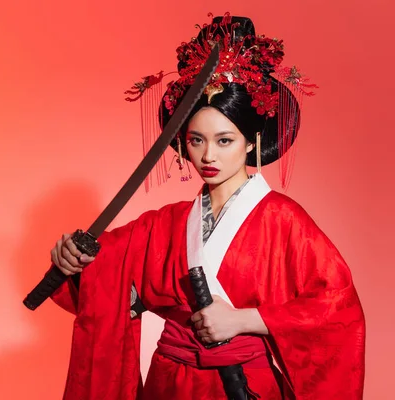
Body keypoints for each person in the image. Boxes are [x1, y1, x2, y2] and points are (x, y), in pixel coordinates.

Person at [46, 13, 365, 400]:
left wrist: (244, 319)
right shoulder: (164, 223)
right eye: (197, 140)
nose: (208, 155)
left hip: (244, 385)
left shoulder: (285, 220)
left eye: (225, 140)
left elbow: (336, 308)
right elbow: (103, 282)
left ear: (251, 142)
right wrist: (72, 265)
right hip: (169, 383)